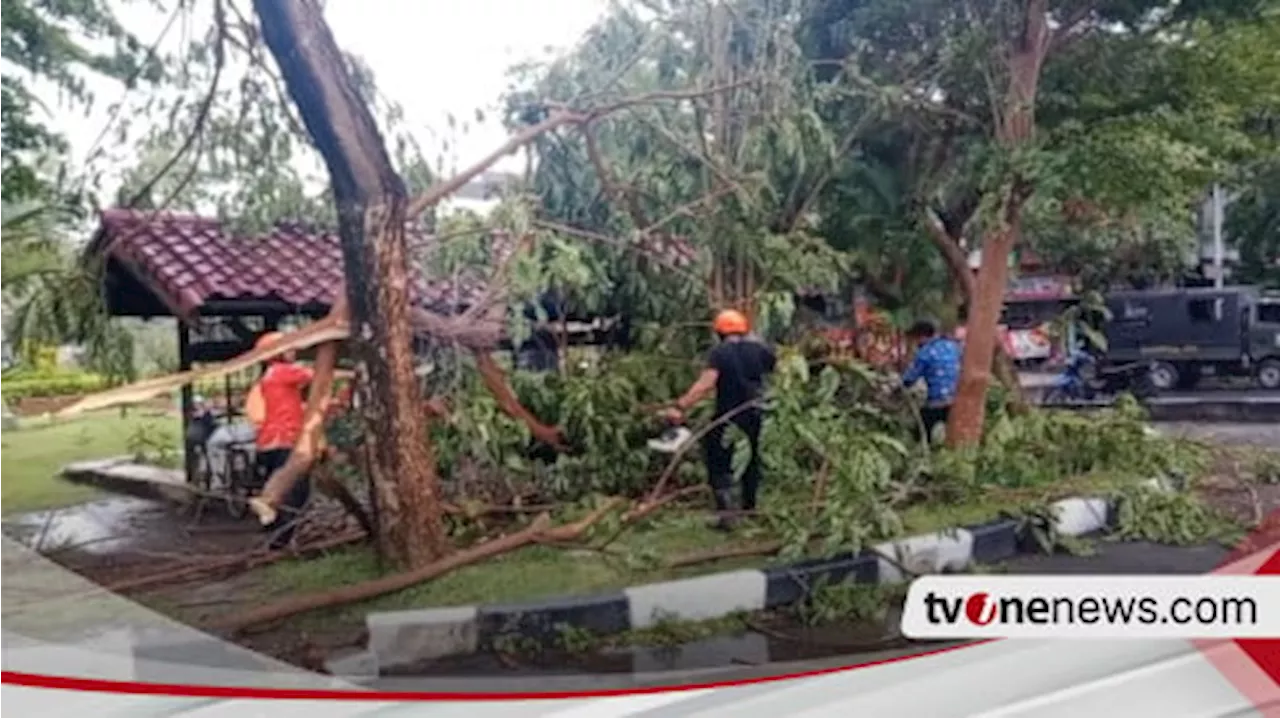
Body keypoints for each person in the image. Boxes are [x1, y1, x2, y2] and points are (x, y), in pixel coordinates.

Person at [661, 309, 776, 530]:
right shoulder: (760, 350)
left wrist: (681, 405)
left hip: (728, 416)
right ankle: (749, 508)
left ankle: (727, 514)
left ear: (719, 332)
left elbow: (706, 384)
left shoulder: (720, 352)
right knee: (750, 460)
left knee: (718, 461)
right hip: (755, 414)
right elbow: (775, 370)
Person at [245, 331, 315, 550]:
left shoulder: (268, 378)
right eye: (289, 347)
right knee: (295, 492)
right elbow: (315, 374)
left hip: (269, 441)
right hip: (284, 440)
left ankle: (276, 533)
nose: (294, 350)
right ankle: (280, 542)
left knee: (284, 489)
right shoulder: (283, 372)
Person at [901, 317, 961, 443]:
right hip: (957, 399)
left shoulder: (925, 353)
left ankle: (923, 451)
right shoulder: (952, 346)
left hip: (938, 402)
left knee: (921, 430)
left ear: (921, 337)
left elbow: (910, 378)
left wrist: (900, 387)